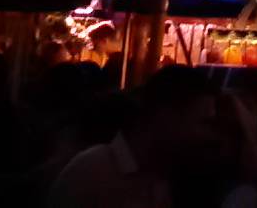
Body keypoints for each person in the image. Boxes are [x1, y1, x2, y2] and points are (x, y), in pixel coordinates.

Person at [50, 66, 221, 208]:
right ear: (165, 116)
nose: (210, 135)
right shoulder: (92, 173)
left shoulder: (166, 178)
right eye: (203, 122)